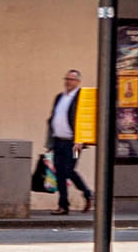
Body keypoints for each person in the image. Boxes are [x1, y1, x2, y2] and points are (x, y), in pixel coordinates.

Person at [46, 67, 95, 214]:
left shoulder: (81, 98)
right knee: (60, 173)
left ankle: (88, 193)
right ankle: (63, 205)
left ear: (78, 81)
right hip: (58, 141)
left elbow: (86, 118)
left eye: (71, 79)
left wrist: (82, 139)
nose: (68, 82)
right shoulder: (59, 97)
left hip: (75, 143)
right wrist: (49, 143)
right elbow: (52, 119)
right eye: (66, 79)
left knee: (68, 169)